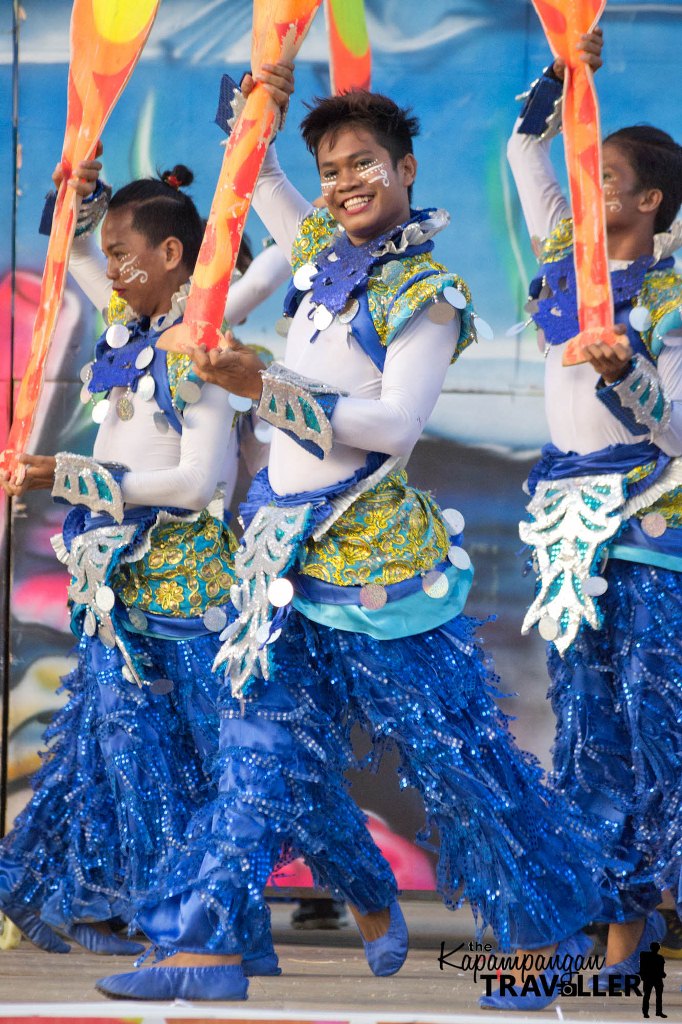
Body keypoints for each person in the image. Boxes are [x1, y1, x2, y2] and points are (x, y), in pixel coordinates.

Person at [95, 64, 608, 1006]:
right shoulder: (326, 255)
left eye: (363, 162)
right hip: (280, 565)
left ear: (406, 168)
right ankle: (205, 951)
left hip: (378, 575)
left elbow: (391, 427)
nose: (344, 181)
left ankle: (546, 935)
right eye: (332, 168)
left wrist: (265, 389)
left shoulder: (425, 289)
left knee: (460, 766)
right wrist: (255, 118)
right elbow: (267, 185)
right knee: (256, 752)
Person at [0, 160, 271, 963]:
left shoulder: (200, 351)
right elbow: (77, 260)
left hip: (186, 577)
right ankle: (61, 891)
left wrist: (67, 474)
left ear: (175, 256)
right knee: (99, 737)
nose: (112, 271)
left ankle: (184, 912)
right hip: (113, 575)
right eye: (111, 256)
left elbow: (193, 485)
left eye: (128, 256)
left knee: (180, 746)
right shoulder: (136, 329)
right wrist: (80, 196)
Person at [507, 26, 682, 993]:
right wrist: (567, 74)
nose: (590, 181)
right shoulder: (564, 252)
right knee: (584, 725)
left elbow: (678, 432)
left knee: (652, 720)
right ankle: (599, 920)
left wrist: (633, 381)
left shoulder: (674, 291)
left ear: (649, 198)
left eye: (607, 172)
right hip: (567, 526)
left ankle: (639, 930)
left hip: (652, 527)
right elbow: (524, 148)